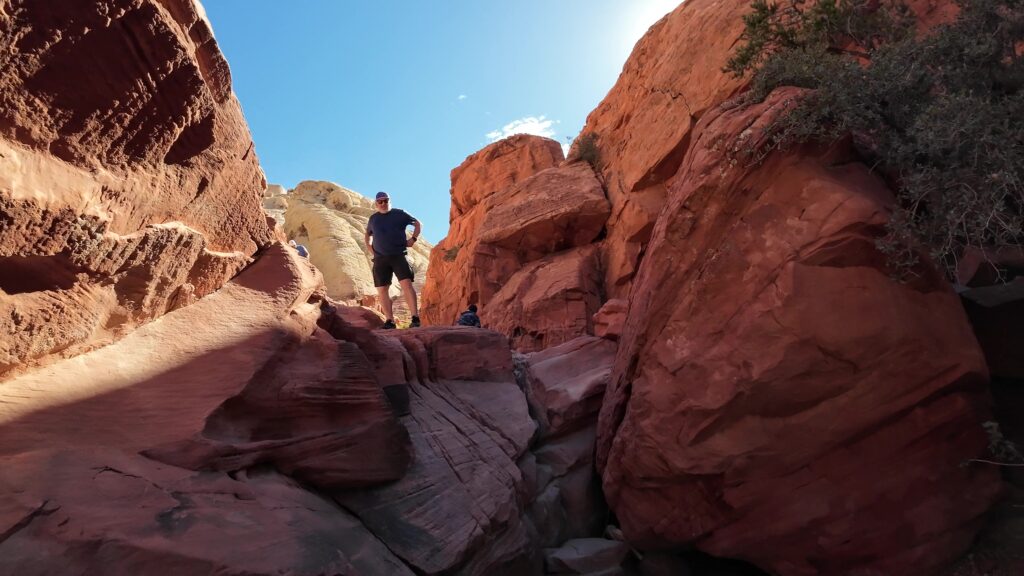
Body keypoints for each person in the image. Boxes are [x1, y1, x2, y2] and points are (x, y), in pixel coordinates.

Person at [365, 191, 421, 329]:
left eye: (386, 200)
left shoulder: (399, 214)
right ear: (376, 203)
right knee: (382, 290)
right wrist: (370, 248)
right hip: (380, 259)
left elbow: (417, 223)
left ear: (390, 201)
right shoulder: (373, 219)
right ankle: (389, 321)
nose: (383, 203)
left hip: (398, 255)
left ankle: (415, 318)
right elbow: (368, 234)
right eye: (380, 201)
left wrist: (413, 239)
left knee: (406, 285)